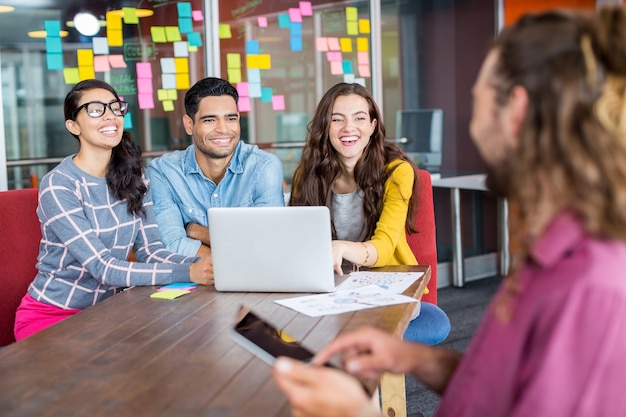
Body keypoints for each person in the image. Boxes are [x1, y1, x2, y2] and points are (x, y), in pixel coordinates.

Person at [272, 6, 626, 417]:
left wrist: (358, 413)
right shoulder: (549, 252)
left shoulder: (591, 289)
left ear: (516, 109)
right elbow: (504, 388)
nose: (470, 111)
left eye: (477, 92)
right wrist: (421, 361)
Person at [14, 79, 213, 341]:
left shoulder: (135, 176)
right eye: (96, 109)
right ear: (73, 126)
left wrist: (206, 265)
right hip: (53, 316)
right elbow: (104, 268)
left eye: (115, 107)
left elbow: (151, 251)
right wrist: (188, 271)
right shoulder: (60, 185)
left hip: (108, 314)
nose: (110, 116)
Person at [289, 82, 450, 345]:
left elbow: (384, 247)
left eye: (359, 118)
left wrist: (340, 248)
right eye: (336, 119)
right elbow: (298, 242)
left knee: (432, 324)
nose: (348, 128)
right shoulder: (307, 176)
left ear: (373, 126)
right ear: (325, 127)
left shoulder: (397, 171)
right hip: (329, 286)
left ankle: (342, 344)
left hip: (384, 285)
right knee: (277, 326)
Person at [147, 77, 285, 259]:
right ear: (189, 125)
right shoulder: (163, 171)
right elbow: (171, 243)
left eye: (230, 118)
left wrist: (193, 230)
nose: (223, 129)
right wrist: (232, 260)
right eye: (210, 120)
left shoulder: (263, 166)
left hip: (256, 281)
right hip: (192, 280)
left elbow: (268, 243)